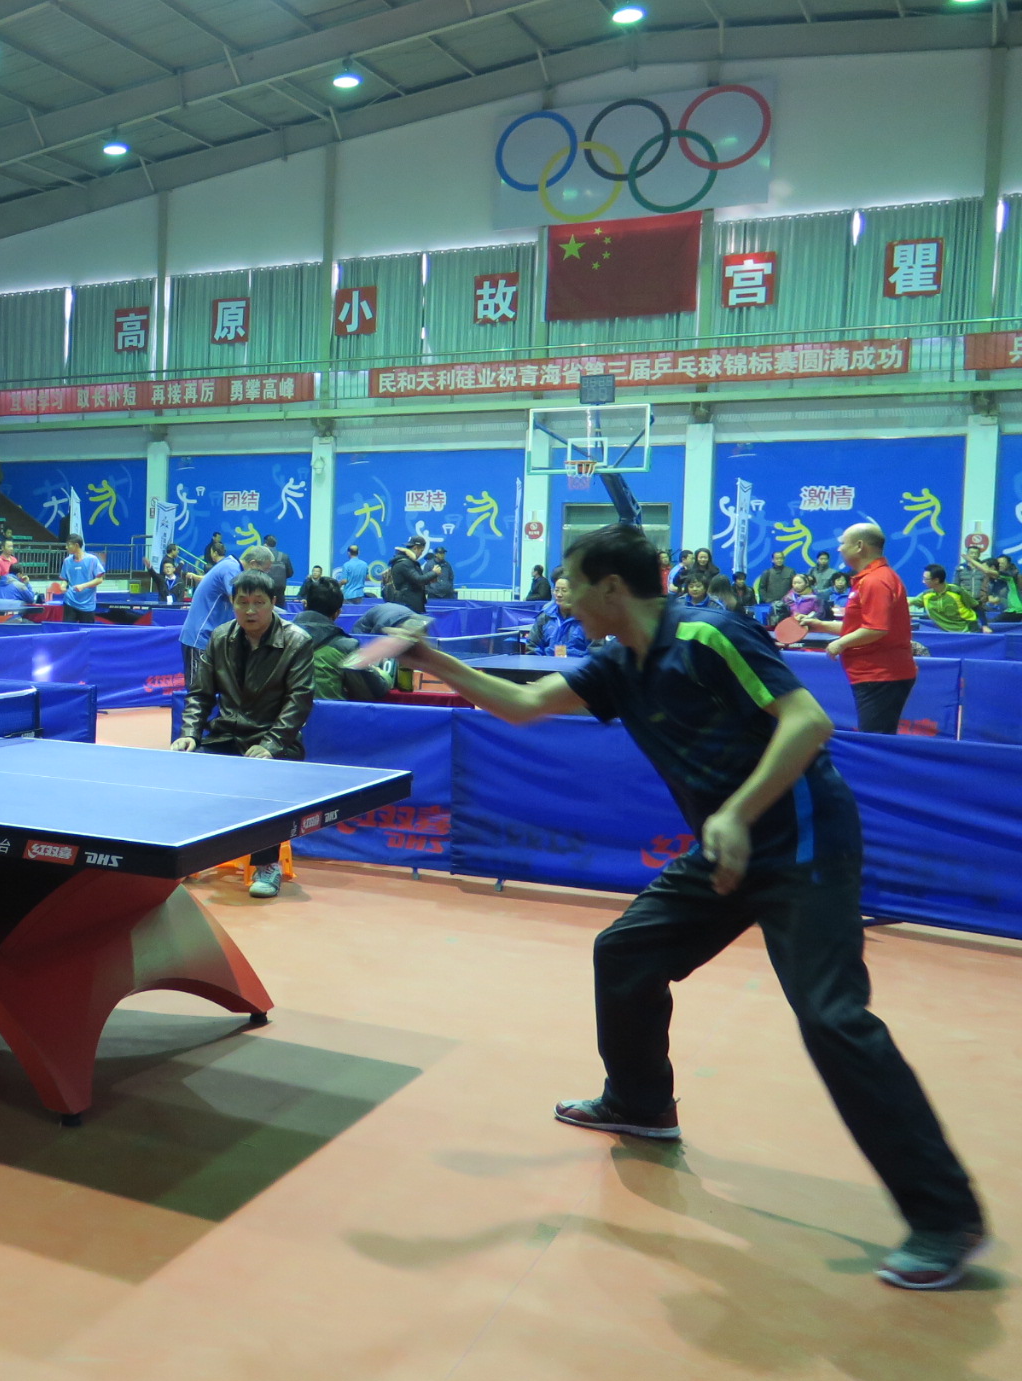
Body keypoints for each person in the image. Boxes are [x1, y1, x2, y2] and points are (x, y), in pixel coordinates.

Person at [391, 523, 984, 1290]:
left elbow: (807, 721)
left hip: (801, 842)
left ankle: (945, 1216)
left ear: (612, 587)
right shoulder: (619, 663)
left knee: (832, 1018)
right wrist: (432, 658)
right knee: (627, 952)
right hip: (727, 847)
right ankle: (640, 1103)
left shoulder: (708, 635)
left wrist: (735, 814)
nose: (563, 596)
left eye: (573, 582)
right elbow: (528, 703)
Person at [170, 570, 314, 899]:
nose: (250, 610)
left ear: (273, 603)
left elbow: (299, 700)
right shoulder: (220, 637)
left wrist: (270, 744)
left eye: (258, 603)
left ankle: (267, 865)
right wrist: (190, 733)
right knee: (184, 768)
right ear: (232, 603)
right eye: (242, 602)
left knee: (265, 782)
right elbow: (200, 694)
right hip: (226, 736)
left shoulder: (297, 641)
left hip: (276, 740)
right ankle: (188, 854)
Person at [798, 523, 915, 734]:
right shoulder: (870, 578)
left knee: (875, 741)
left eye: (843, 543)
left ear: (859, 546)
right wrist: (820, 625)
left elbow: (876, 629)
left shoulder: (876, 581)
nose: (839, 548)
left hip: (881, 675)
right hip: (873, 674)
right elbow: (859, 627)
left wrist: (840, 644)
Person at [295, 575, 388, 701]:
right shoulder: (346, 647)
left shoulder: (279, 637)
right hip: (328, 713)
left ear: (305, 605)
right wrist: (382, 674)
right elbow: (375, 690)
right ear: (338, 613)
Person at [178, 545, 247, 683]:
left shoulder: (227, 565)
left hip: (214, 639)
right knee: (197, 689)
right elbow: (238, 600)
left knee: (215, 686)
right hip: (200, 638)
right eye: (265, 571)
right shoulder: (231, 568)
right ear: (254, 564)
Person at [527, 574, 590, 657]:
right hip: (548, 664)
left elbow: (596, 652)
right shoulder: (545, 616)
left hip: (578, 664)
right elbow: (533, 646)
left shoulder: (590, 619)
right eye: (556, 590)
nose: (559, 594)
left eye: (564, 590)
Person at [916, 565, 980, 633]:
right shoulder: (926, 594)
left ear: (936, 580)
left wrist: (985, 626)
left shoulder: (956, 591)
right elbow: (910, 603)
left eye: (926, 579)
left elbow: (976, 606)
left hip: (968, 630)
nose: (923, 581)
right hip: (948, 632)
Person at [383, 535, 437, 610]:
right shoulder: (405, 563)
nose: (421, 554)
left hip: (408, 604)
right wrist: (434, 573)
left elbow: (413, 581)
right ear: (415, 548)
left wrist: (429, 579)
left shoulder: (409, 562)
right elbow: (419, 580)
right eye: (421, 551)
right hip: (406, 606)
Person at [60, 534, 104, 623]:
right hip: (70, 601)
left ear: (76, 545)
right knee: (68, 629)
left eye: (68, 545)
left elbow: (100, 579)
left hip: (87, 604)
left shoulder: (92, 559)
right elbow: (65, 579)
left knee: (86, 630)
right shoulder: (67, 561)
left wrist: (83, 586)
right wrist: (63, 585)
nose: (66, 547)